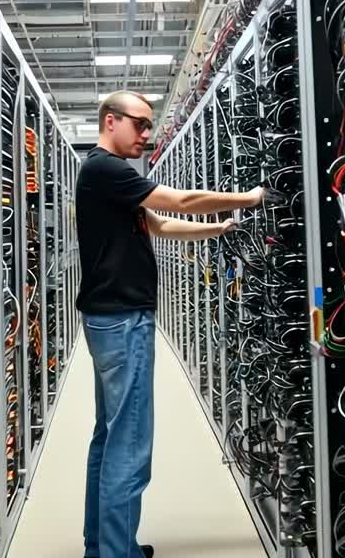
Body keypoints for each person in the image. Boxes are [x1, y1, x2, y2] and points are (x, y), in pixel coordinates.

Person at [75, 91, 265, 558]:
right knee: (130, 447)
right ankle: (116, 554)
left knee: (110, 435)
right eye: (138, 124)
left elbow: (157, 225)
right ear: (110, 120)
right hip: (123, 322)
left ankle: (102, 546)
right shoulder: (105, 168)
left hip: (108, 320)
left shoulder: (108, 177)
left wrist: (217, 230)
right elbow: (183, 199)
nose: (146, 134)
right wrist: (252, 197)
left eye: (149, 126)